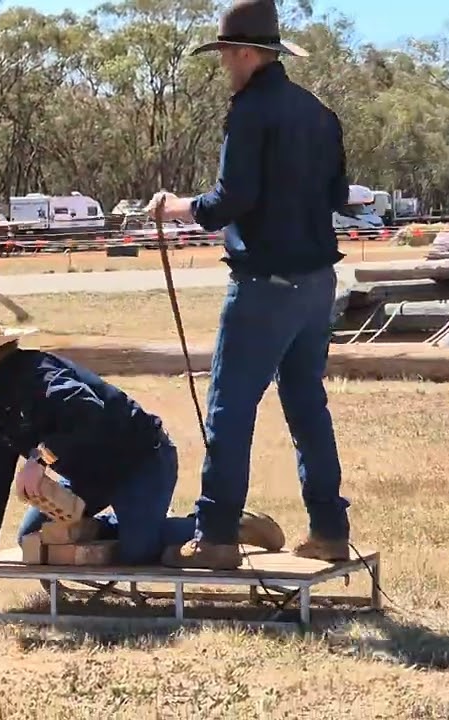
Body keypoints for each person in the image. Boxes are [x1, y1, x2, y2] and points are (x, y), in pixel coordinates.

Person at [143, 0, 352, 570]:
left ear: (242, 53)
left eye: (224, 56)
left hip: (264, 284)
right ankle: (330, 530)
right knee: (307, 406)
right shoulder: (319, 113)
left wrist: (176, 206)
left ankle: (215, 536)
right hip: (316, 284)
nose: (223, 67)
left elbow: (229, 200)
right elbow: (338, 197)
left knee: (230, 409)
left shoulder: (250, 111)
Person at [0, 314, 287, 583]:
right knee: (32, 540)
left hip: (141, 460)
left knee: (137, 550)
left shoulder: (38, 374)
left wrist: (41, 458)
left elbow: (87, 409)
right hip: (88, 475)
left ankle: (223, 527)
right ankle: (109, 525)